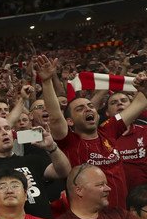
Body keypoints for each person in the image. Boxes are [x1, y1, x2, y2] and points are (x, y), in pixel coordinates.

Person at [39, 55, 147, 209]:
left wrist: (143, 89)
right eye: (80, 108)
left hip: (120, 213)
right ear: (70, 121)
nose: (88, 109)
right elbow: (56, 118)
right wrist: (47, 82)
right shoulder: (69, 140)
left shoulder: (109, 129)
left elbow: (140, 102)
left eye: (90, 106)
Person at [0, 117, 70, 219]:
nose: (4, 132)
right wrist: (18, 187)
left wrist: (52, 147)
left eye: (7, 128)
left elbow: (63, 171)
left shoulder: (31, 160)